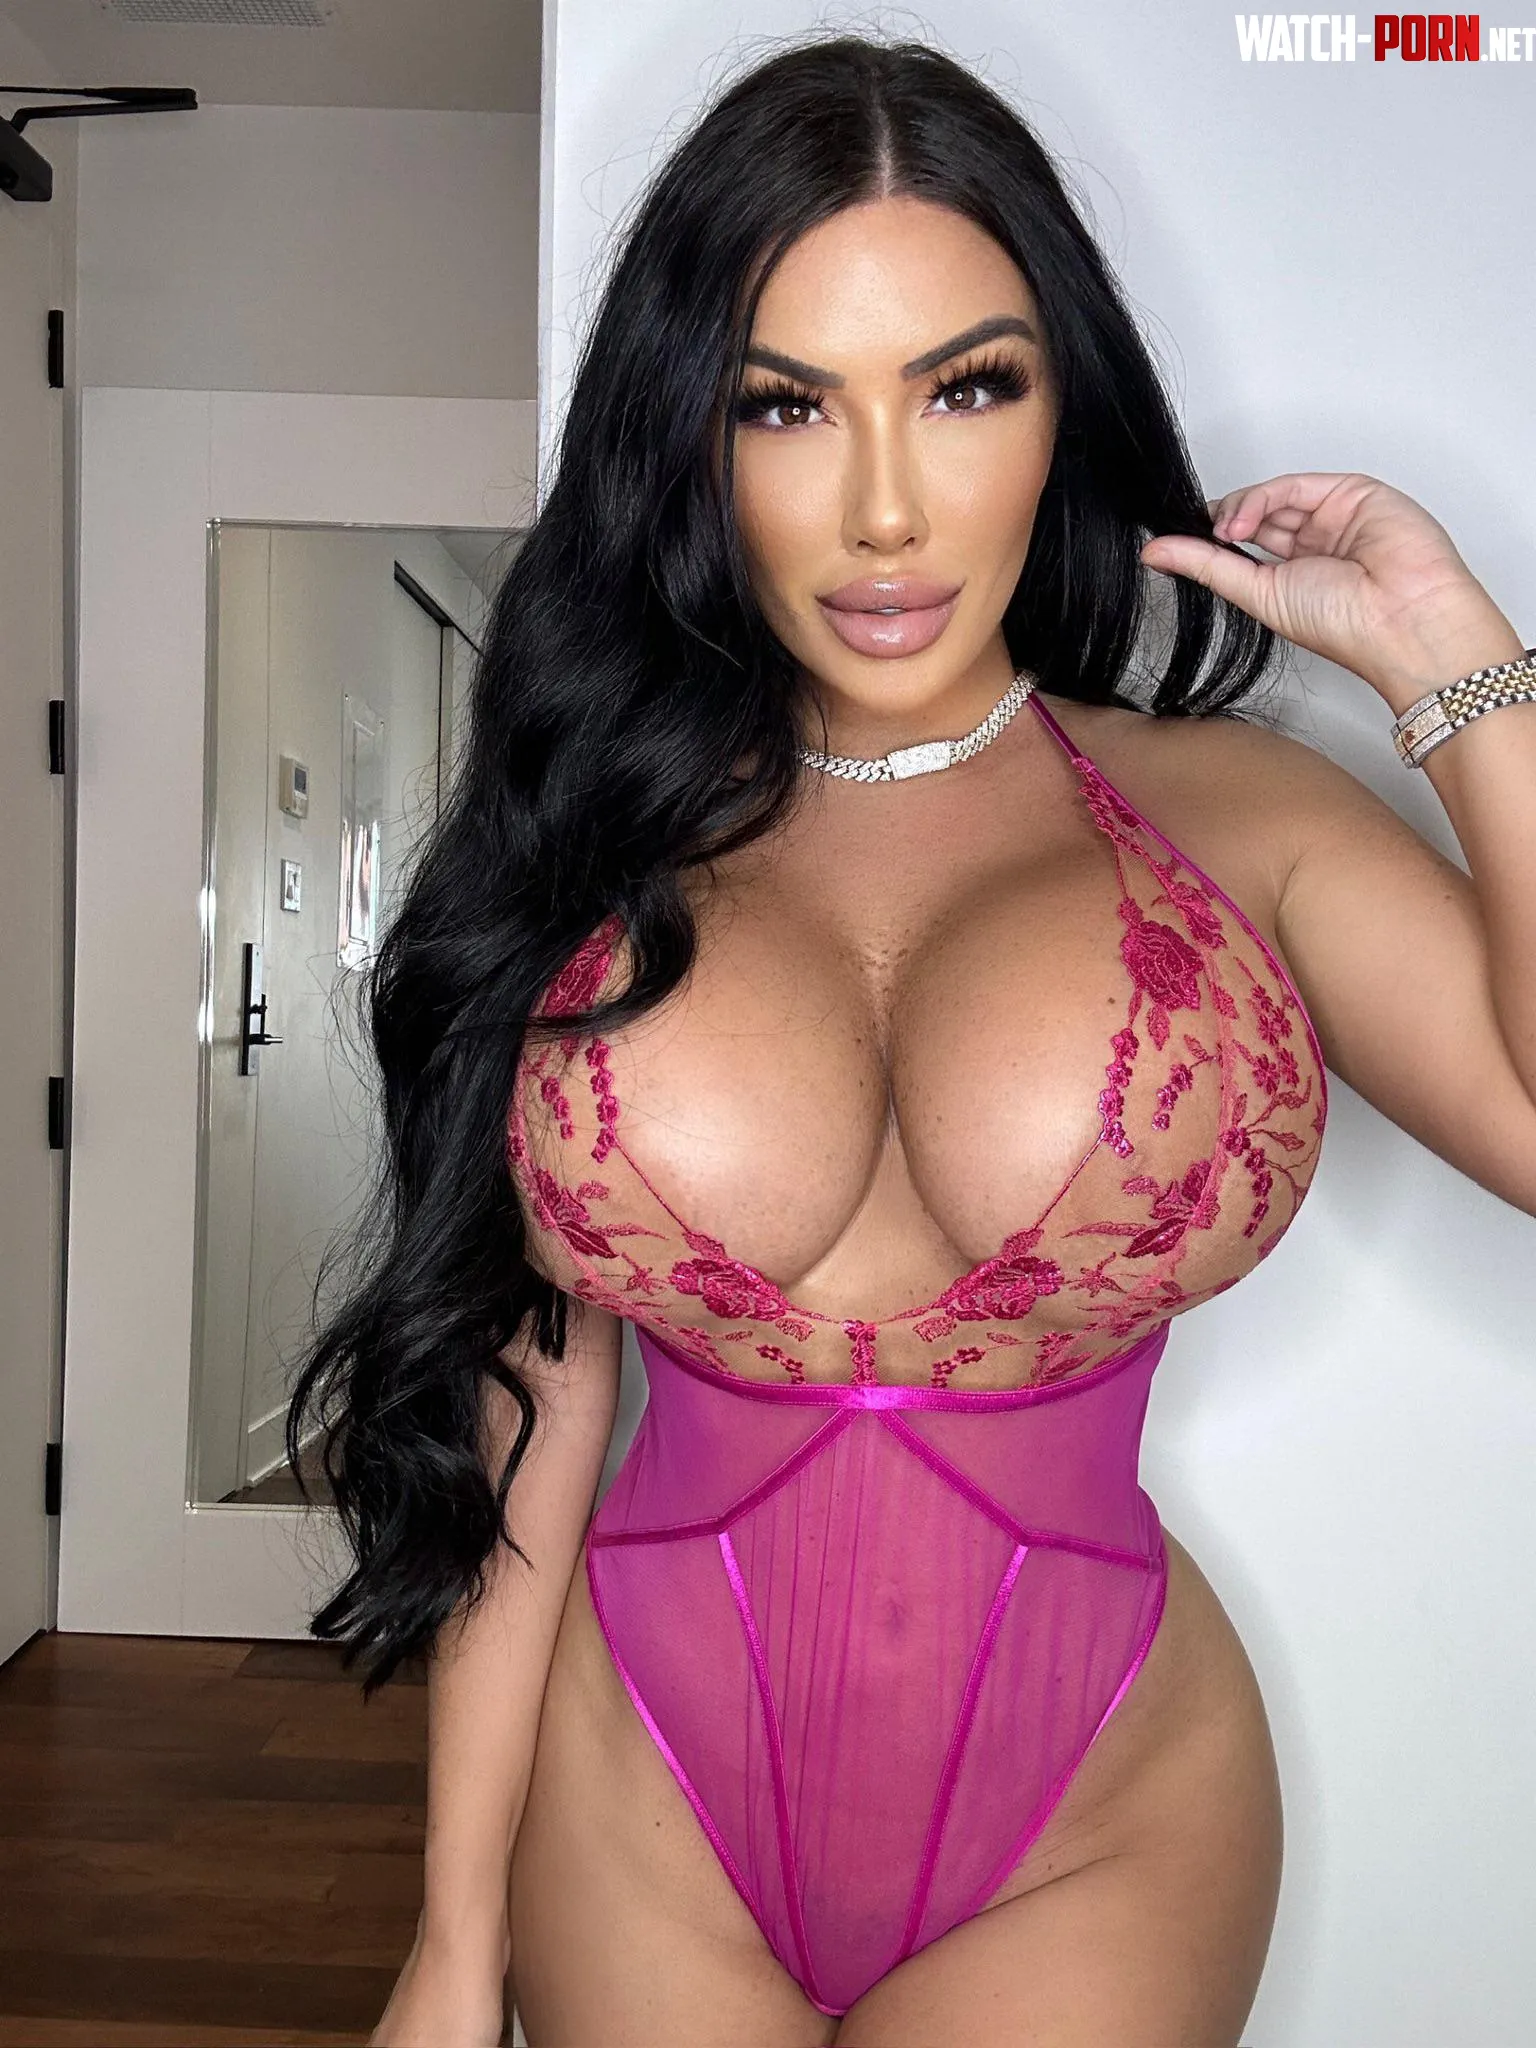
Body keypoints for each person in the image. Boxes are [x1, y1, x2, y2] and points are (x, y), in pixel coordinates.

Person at [287, 34, 1536, 2048]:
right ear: (693, 438)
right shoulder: (588, 840)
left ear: (1062, 408)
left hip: (1097, 1820)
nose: (884, 510)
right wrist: (451, 1936)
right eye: (786, 404)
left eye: (966, 388)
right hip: (641, 1802)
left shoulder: (1237, 821)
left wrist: (1460, 666)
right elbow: (534, 1400)